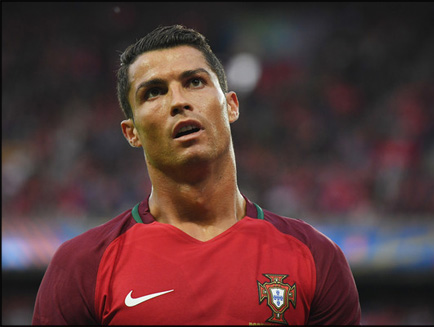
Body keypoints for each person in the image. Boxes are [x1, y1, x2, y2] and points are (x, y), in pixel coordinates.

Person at [32, 24, 361, 325]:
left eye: (194, 82)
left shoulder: (316, 258)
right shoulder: (81, 265)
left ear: (231, 105)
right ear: (131, 133)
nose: (178, 101)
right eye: (154, 92)